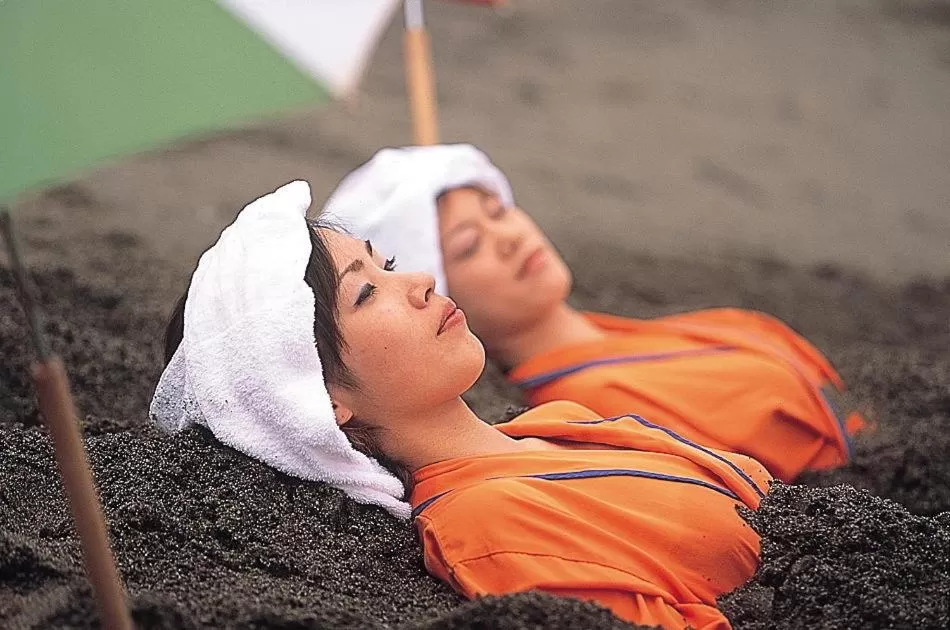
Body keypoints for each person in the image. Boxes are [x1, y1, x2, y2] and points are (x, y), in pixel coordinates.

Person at [152, 181, 771, 629]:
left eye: (388, 264)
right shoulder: (484, 524)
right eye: (367, 293)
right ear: (318, 396)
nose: (420, 281)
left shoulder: (555, 422)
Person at [320, 144, 867, 482]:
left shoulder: (681, 325)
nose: (508, 238)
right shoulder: (590, 408)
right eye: (467, 246)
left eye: (498, 210)